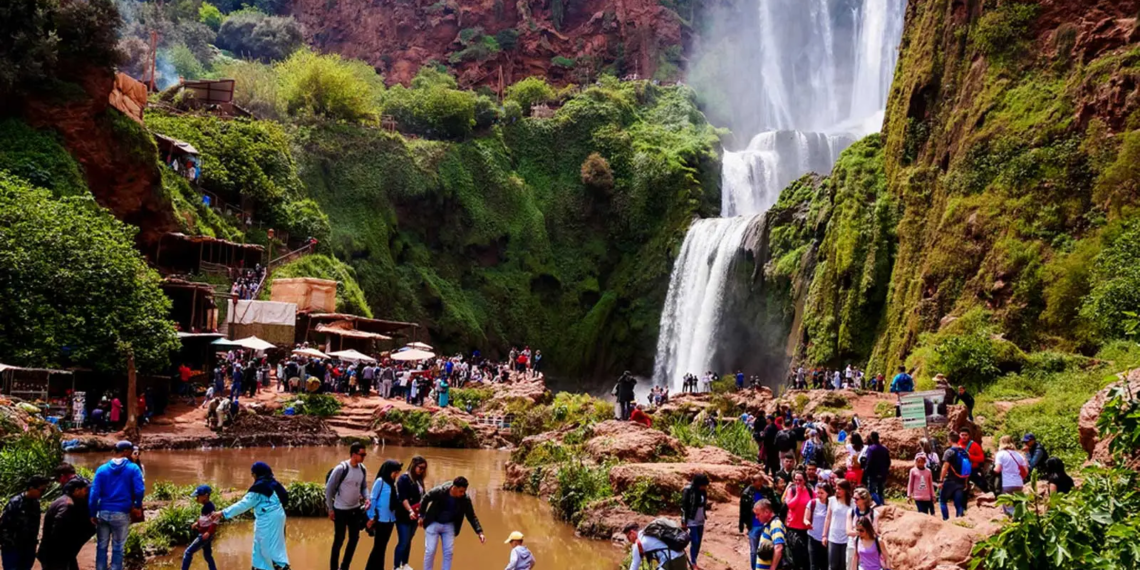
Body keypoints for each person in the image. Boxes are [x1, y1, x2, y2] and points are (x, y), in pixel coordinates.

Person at [213, 462, 290, 570]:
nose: (252, 476)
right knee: (265, 548)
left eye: (253, 474)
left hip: (268, 520)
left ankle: (280, 567)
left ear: (257, 474)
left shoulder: (260, 488)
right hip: (277, 517)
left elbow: (243, 504)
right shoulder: (274, 484)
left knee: (268, 550)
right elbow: (285, 499)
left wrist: (223, 513)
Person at [89, 441, 146, 570]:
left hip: (103, 512)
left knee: (101, 546)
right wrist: (137, 506)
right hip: (122, 513)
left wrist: (92, 513)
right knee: (118, 547)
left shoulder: (102, 469)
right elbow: (140, 490)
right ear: (126, 452)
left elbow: (94, 493)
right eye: (131, 450)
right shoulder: (133, 468)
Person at [420, 476, 485, 570]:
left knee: (448, 552)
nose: (463, 494)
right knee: (430, 551)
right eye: (461, 491)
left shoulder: (465, 499)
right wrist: (421, 515)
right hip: (433, 522)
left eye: (464, 491)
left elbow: (471, 516)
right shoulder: (440, 491)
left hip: (449, 525)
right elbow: (426, 498)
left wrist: (479, 532)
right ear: (454, 488)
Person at [326, 443, 370, 570]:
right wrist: (330, 508)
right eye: (362, 454)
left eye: (365, 454)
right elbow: (329, 489)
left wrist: (367, 498)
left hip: (355, 509)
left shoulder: (362, 469)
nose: (364, 457)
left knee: (354, 539)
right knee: (339, 540)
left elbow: (363, 487)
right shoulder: (341, 469)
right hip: (340, 510)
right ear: (354, 454)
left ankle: (344, 567)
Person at [37, 476, 94, 570]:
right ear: (76, 490)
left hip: (56, 552)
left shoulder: (64, 500)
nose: (87, 492)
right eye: (85, 490)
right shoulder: (67, 506)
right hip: (56, 554)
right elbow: (58, 532)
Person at [0, 475, 50, 570]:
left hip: (28, 547)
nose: (42, 493)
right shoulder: (15, 503)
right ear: (31, 488)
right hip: (13, 548)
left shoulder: (35, 503)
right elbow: (4, 526)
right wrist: (8, 545)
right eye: (41, 490)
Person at [365, 460, 402, 570]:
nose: (396, 475)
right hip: (380, 520)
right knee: (378, 548)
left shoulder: (392, 484)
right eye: (395, 472)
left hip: (390, 520)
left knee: (382, 547)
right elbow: (373, 499)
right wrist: (371, 517)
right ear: (389, 471)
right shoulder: (380, 482)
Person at [393, 456, 427, 570]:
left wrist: (422, 514)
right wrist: (410, 511)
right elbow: (403, 498)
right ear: (413, 466)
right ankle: (396, 566)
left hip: (415, 515)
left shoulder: (419, 480)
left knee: (408, 541)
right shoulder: (404, 479)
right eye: (420, 468)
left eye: (424, 468)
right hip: (404, 515)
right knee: (403, 541)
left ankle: (405, 564)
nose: (422, 470)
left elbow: (423, 497)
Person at [740, 473, 778, 567]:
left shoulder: (767, 491)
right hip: (753, 524)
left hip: (766, 524)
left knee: (767, 548)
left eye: (762, 480)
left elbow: (773, 504)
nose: (761, 483)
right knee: (754, 550)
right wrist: (742, 524)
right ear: (753, 482)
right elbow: (743, 510)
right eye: (759, 481)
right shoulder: (747, 493)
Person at [182, 485, 218, 570]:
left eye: (198, 496)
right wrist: (197, 523)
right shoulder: (206, 506)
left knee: (188, 552)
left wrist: (208, 532)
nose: (196, 498)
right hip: (206, 534)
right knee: (207, 555)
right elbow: (205, 519)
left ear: (205, 496)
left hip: (204, 535)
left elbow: (215, 520)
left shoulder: (210, 507)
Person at [783, 471, 812, 570]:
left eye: (800, 480)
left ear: (805, 480)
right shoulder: (791, 490)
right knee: (795, 555)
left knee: (805, 555)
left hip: (806, 527)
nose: (798, 482)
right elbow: (790, 505)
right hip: (793, 527)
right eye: (796, 480)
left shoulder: (810, 491)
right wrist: (798, 494)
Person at [992, 436, 1028, 515]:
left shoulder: (1000, 454)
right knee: (1018, 506)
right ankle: (1020, 519)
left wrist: (991, 471)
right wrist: (1020, 478)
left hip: (1007, 483)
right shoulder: (1019, 455)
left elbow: (997, 469)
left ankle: (1012, 519)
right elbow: (1026, 471)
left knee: (1009, 508)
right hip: (1019, 483)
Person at [821, 479, 852, 570]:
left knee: (844, 565)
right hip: (833, 537)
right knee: (833, 565)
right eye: (836, 488)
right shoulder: (832, 500)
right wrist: (824, 535)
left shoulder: (852, 502)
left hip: (847, 538)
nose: (837, 491)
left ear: (846, 490)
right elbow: (828, 518)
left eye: (840, 489)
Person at [680, 473, 709, 568]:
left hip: (700, 520)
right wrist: (683, 522)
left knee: (698, 543)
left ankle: (694, 561)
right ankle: (693, 563)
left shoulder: (703, 491)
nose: (704, 487)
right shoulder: (688, 490)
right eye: (703, 485)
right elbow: (684, 507)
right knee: (695, 541)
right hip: (691, 520)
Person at [939, 434, 969, 520]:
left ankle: (946, 520)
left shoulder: (949, 452)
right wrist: (966, 482)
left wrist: (941, 481)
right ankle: (959, 520)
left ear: (950, 440)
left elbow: (945, 467)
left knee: (942, 500)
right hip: (961, 481)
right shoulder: (964, 452)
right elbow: (967, 469)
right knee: (958, 503)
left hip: (949, 481)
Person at [845, 488, 876, 570]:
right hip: (852, 546)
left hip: (867, 548)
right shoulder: (851, 512)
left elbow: (875, 533)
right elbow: (848, 531)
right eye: (853, 498)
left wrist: (857, 531)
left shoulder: (874, 514)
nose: (854, 500)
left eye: (856, 499)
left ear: (864, 499)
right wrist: (864, 532)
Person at [804, 483, 831, 570]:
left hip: (827, 539)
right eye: (818, 493)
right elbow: (805, 518)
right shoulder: (812, 503)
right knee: (814, 564)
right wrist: (807, 523)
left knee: (825, 564)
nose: (819, 495)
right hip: (813, 537)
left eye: (822, 493)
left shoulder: (831, 504)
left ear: (827, 493)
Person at [753, 499, 785, 570]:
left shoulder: (775, 524)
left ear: (767, 512)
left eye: (758, 514)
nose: (756, 517)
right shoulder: (767, 524)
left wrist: (772, 568)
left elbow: (779, 548)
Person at [863, 433, 890, 506]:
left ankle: (879, 504)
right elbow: (888, 462)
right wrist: (885, 471)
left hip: (873, 474)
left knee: (871, 491)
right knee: (880, 491)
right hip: (883, 474)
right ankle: (882, 504)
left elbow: (869, 461)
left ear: (871, 438)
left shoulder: (871, 449)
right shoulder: (884, 449)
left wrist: (866, 471)